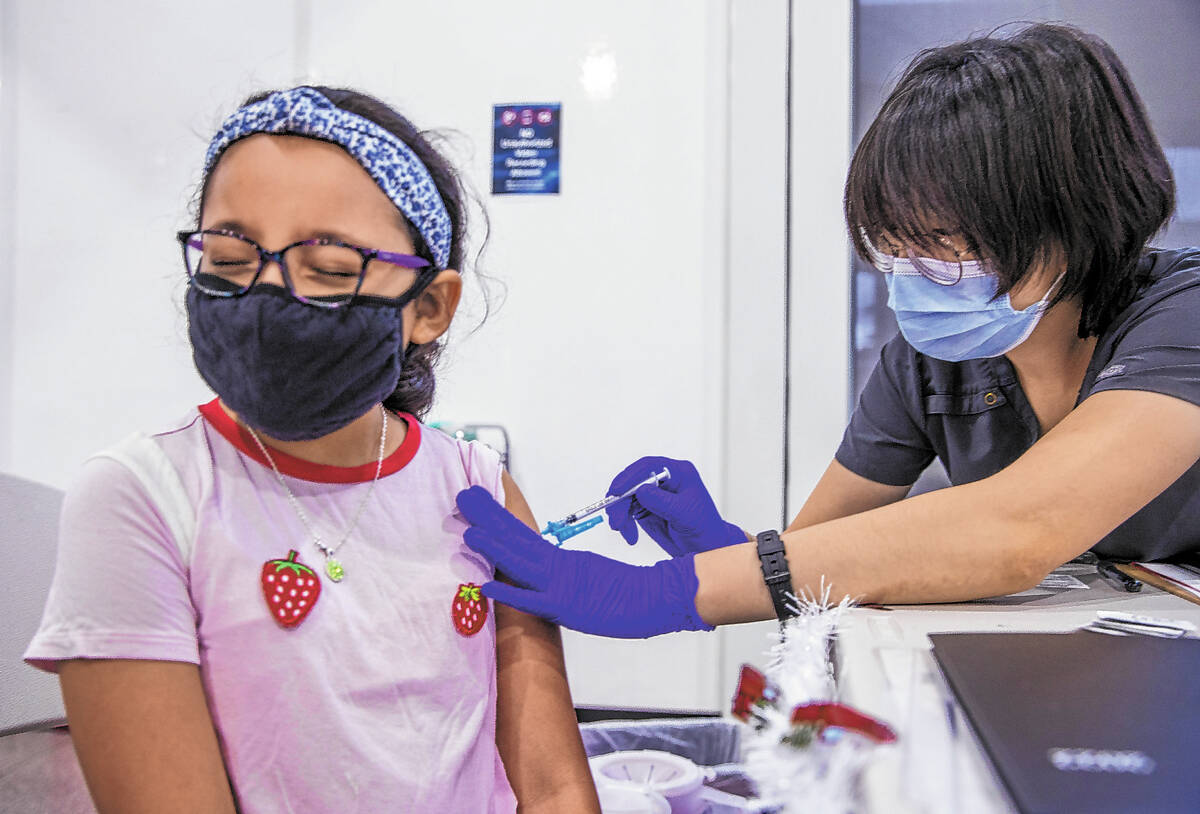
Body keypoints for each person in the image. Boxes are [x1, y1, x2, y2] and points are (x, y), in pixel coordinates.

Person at [454, 23, 1200, 638]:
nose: (912, 272)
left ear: (1075, 216)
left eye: (945, 242)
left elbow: (1016, 530)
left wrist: (662, 592)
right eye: (894, 243)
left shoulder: (1182, 313)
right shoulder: (928, 363)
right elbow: (823, 557)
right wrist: (726, 551)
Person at [25, 87, 600, 813]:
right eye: (230, 258)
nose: (266, 293)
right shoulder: (143, 496)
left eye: (329, 269)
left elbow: (551, 790)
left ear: (428, 308)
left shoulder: (478, 489)